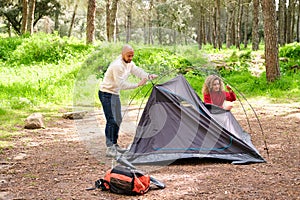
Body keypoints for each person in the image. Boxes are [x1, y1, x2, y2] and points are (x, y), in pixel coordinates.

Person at [99, 44, 158, 157]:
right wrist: (137, 85)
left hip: (114, 94)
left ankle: (114, 144)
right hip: (106, 93)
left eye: (132, 56)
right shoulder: (117, 66)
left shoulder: (129, 63)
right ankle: (110, 148)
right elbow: (121, 84)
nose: (130, 58)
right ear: (123, 54)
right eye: (128, 56)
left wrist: (148, 76)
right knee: (111, 120)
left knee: (118, 119)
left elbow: (137, 71)